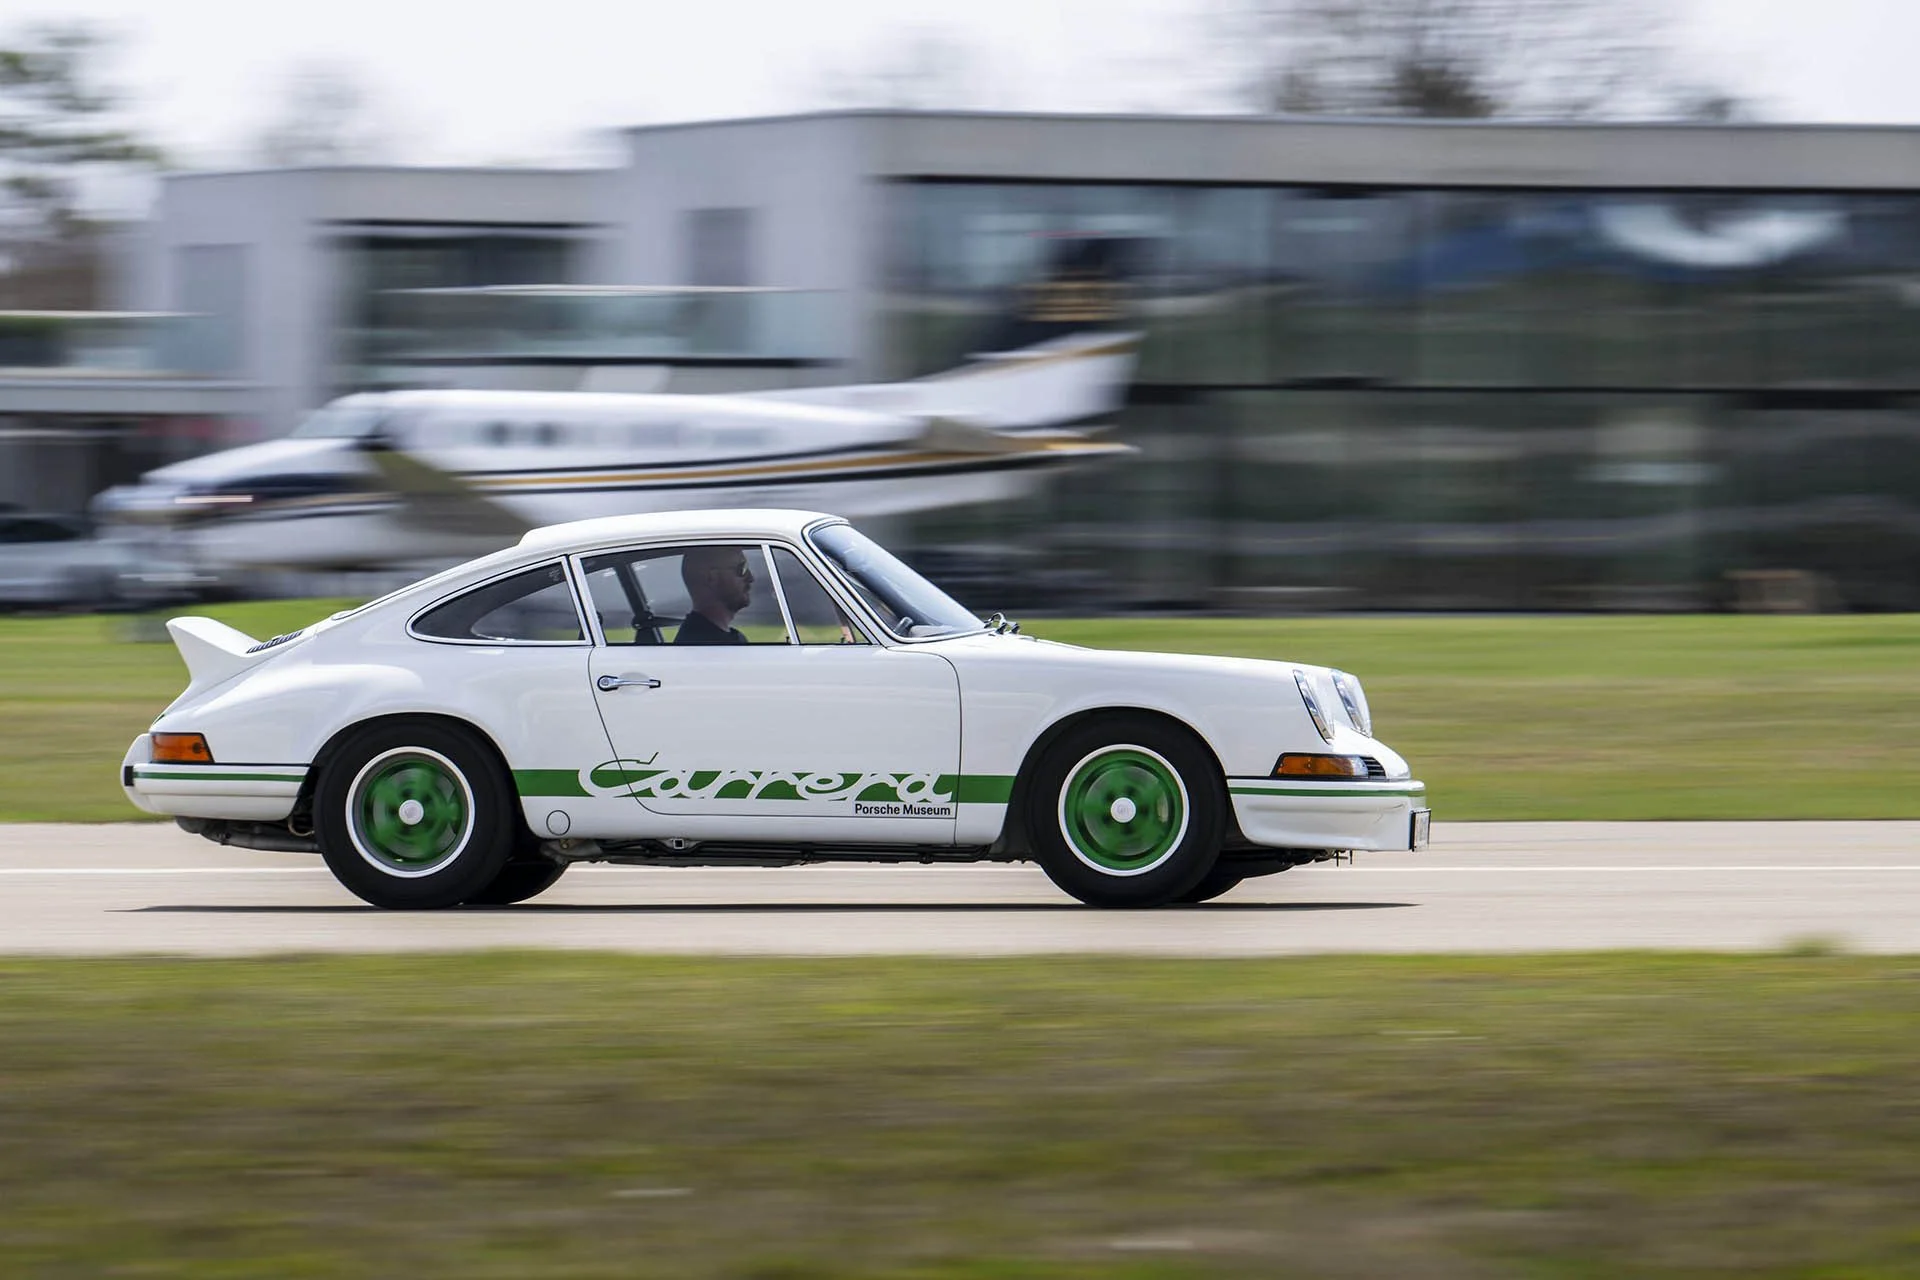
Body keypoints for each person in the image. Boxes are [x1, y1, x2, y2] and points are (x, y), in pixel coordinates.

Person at [674, 545, 754, 645]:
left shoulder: (716, 640)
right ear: (712, 578)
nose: (750, 578)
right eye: (741, 569)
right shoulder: (699, 646)